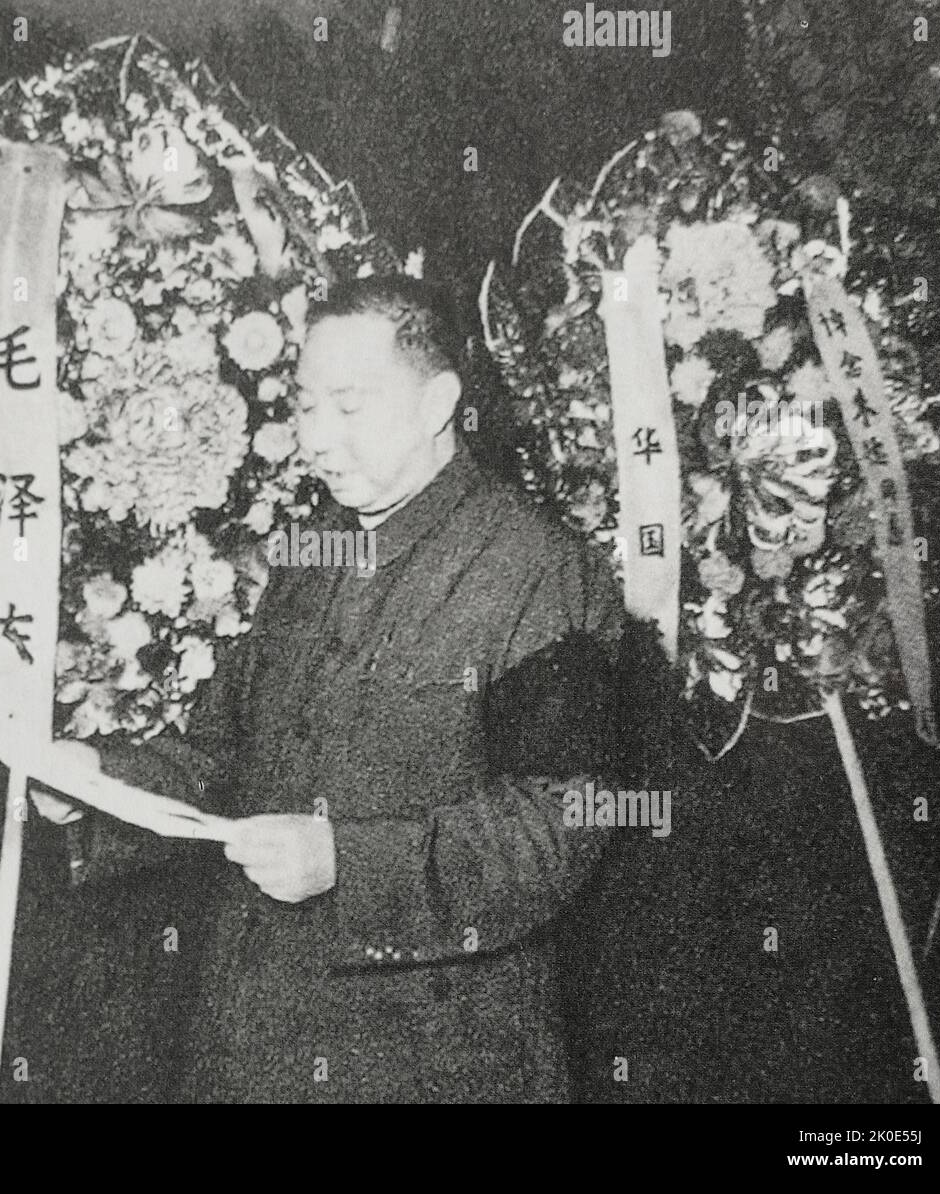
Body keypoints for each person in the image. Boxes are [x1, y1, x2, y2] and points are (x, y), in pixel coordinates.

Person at [69, 275, 630, 1102]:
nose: (318, 438)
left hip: (436, 1060)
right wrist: (92, 783)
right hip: (253, 1046)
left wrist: (347, 863)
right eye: (304, 408)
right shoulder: (310, 558)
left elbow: (561, 822)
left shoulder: (540, 570)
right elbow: (219, 757)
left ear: (439, 400)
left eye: (349, 405)